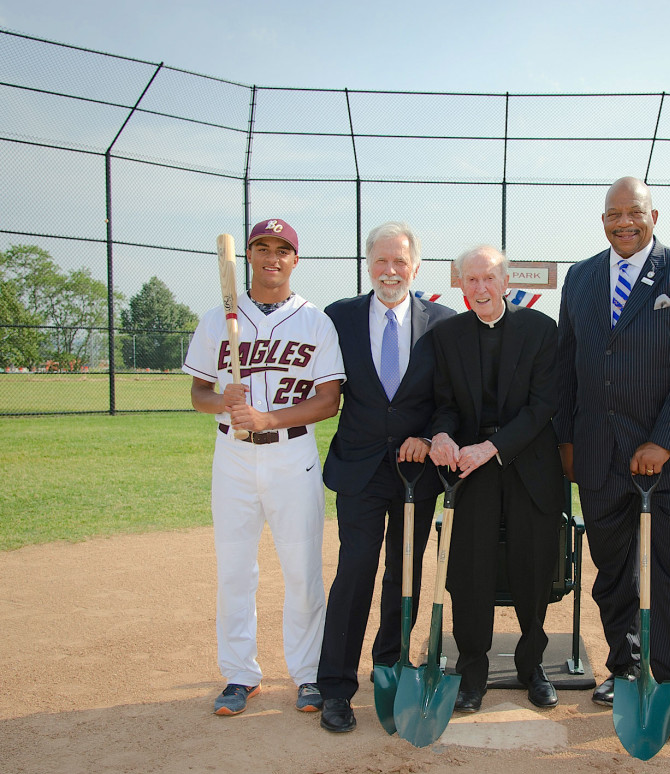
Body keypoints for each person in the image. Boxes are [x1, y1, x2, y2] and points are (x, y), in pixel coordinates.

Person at [555, 177, 670, 737]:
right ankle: (625, 668)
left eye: (634, 213)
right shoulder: (579, 278)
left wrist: (665, 440)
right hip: (600, 459)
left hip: (668, 463)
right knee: (613, 573)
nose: (622, 223)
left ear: (655, 215)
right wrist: (568, 444)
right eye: (612, 214)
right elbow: (567, 367)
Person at [183, 218, 345, 716]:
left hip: (291, 454)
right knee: (234, 570)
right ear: (248, 256)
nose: (272, 257)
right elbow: (197, 395)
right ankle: (239, 674)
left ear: (295, 260)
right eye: (261, 248)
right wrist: (220, 400)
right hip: (232, 455)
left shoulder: (315, 321)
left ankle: (308, 674)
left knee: (302, 572)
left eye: (282, 249)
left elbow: (329, 401)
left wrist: (268, 417)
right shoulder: (217, 319)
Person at [317, 222, 455, 733]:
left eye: (400, 262)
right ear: (367, 264)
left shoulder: (442, 321)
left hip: (415, 473)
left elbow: (451, 400)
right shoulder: (339, 318)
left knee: (405, 572)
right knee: (354, 570)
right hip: (359, 468)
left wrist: (434, 433)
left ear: (416, 267)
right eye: (381, 260)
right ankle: (334, 684)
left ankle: (391, 666)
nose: (390, 270)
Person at [429, 246, 564, 713]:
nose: (481, 288)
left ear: (506, 282)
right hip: (469, 468)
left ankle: (533, 666)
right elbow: (442, 402)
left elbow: (543, 405)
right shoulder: (447, 336)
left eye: (489, 278)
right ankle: (471, 670)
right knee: (469, 570)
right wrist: (442, 434)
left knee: (533, 567)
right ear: (461, 285)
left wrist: (494, 447)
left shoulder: (541, 331)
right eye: (471, 280)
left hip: (527, 463)